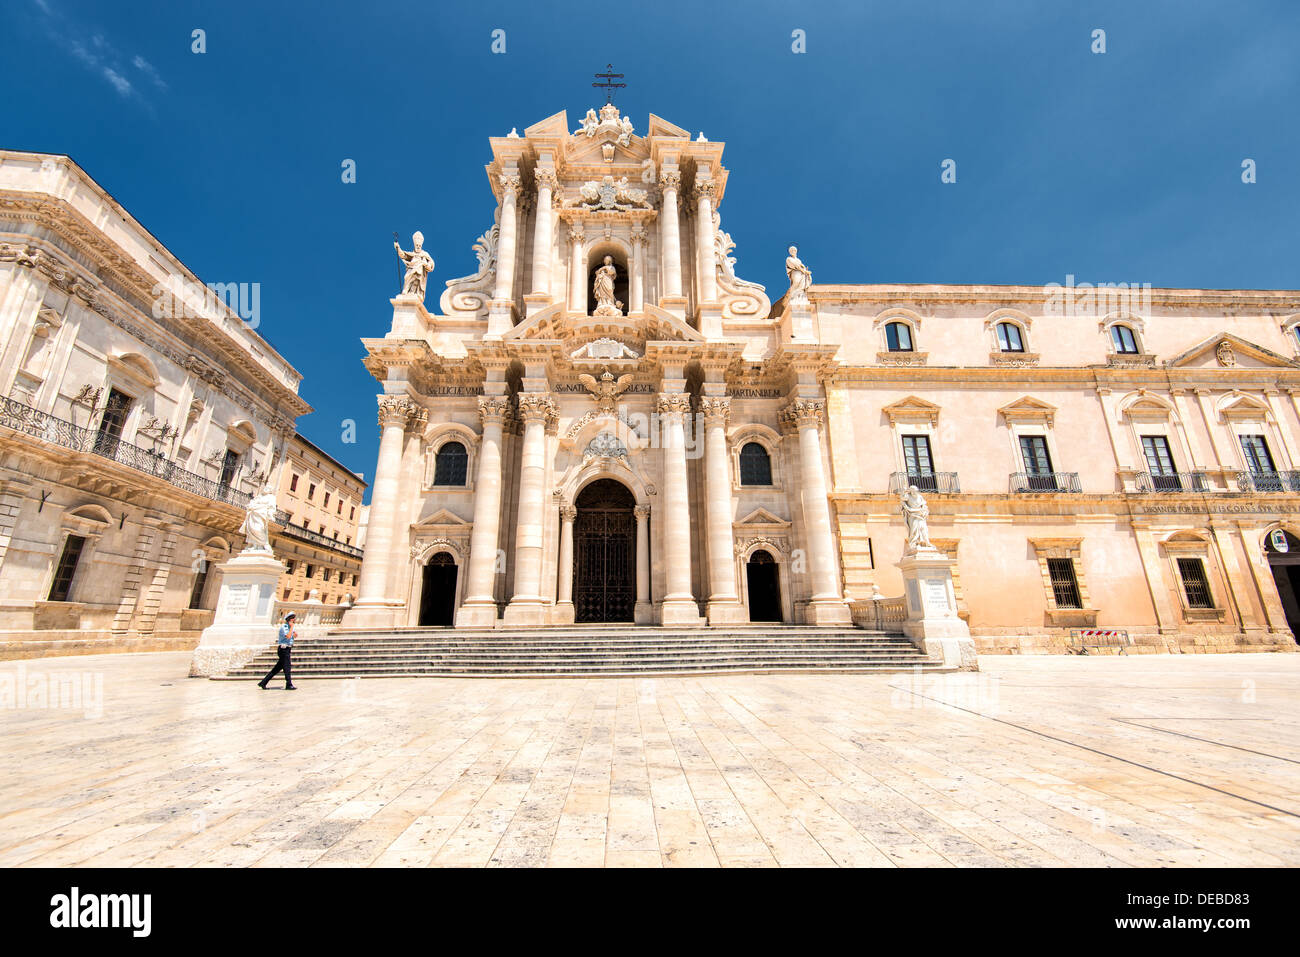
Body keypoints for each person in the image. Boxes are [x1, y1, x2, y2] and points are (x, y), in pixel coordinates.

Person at [258, 612, 297, 690]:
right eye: (293, 618)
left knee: (277, 669)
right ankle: (288, 684)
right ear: (290, 619)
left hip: (287, 649)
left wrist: (294, 632)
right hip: (283, 649)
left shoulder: (290, 627)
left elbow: (293, 636)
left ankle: (263, 682)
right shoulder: (284, 627)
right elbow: (288, 636)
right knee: (287, 667)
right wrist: (292, 628)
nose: (294, 620)